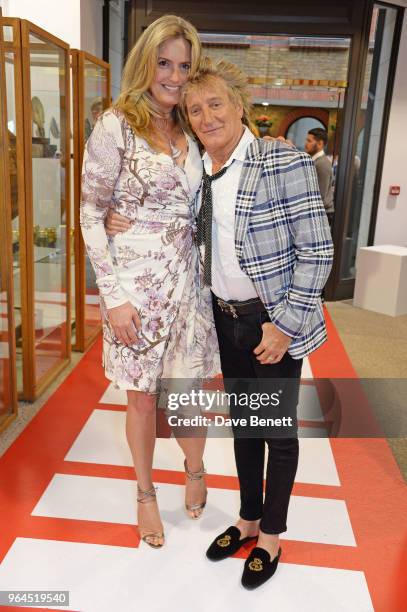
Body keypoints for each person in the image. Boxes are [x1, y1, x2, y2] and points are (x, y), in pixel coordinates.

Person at [107, 57, 333, 588]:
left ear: (239, 107)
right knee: (246, 428)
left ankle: (272, 534)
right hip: (224, 320)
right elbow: (164, 216)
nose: (206, 117)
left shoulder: (282, 161)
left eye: (215, 104)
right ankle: (248, 518)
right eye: (194, 108)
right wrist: (120, 217)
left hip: (272, 321)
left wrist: (286, 324)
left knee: (276, 432)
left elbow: (318, 251)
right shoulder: (199, 172)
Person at [80, 15, 219, 550]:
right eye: (165, 63)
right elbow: (91, 214)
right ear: (145, 63)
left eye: (185, 65)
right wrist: (111, 297)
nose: (175, 76)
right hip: (135, 289)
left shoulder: (197, 124)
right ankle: (144, 493)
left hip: (191, 284)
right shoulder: (117, 124)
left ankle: (195, 467)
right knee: (140, 399)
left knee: (189, 394)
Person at [304, 128, 335, 227]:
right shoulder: (316, 161)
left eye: (309, 141)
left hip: (321, 215)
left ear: (320, 144)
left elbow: (320, 195)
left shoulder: (322, 164)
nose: (305, 144)